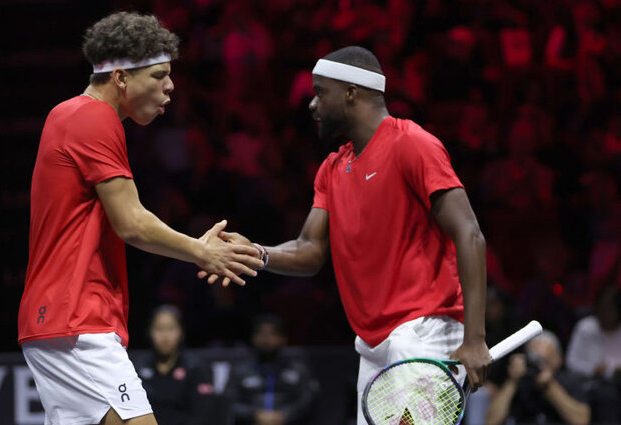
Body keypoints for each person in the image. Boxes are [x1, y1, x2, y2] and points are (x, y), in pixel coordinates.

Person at [200, 45, 490, 425]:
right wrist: (255, 252)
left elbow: (470, 234)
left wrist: (474, 338)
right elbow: (309, 250)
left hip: (423, 330)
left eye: (320, 92)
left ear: (351, 92)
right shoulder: (333, 168)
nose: (311, 104)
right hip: (371, 345)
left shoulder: (412, 144)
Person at [17, 12, 263, 425]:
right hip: (76, 319)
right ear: (121, 77)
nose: (170, 87)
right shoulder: (93, 118)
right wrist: (201, 252)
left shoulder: (69, 114)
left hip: (59, 320)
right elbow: (132, 223)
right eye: (159, 75)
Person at [225, 314, 319, 425]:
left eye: (272, 334)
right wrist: (254, 414)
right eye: (261, 334)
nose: (266, 339)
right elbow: (229, 402)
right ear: (253, 338)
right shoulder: (240, 371)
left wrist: (285, 415)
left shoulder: (298, 371)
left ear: (283, 339)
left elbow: (307, 401)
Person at [485, 331, 591, 425]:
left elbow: (581, 420)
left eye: (546, 360)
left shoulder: (570, 381)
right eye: (535, 360)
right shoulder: (520, 382)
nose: (540, 366)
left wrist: (550, 386)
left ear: (558, 359)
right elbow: (491, 422)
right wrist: (512, 381)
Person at [134, 305, 215, 425]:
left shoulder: (196, 368)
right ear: (149, 332)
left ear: (181, 332)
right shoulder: (138, 367)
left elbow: (202, 414)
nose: (165, 335)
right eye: (159, 329)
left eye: (171, 328)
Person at [565, 285, 621, 423]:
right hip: (591, 384)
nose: (605, 312)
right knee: (606, 395)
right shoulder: (586, 327)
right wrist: (593, 369)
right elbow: (571, 362)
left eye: (610, 308)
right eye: (601, 307)